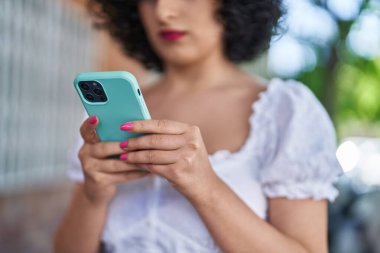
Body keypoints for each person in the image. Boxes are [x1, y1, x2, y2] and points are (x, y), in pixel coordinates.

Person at [54, 0, 342, 252]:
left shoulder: (286, 112)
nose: (164, 11)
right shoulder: (106, 117)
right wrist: (92, 197)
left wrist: (207, 188)